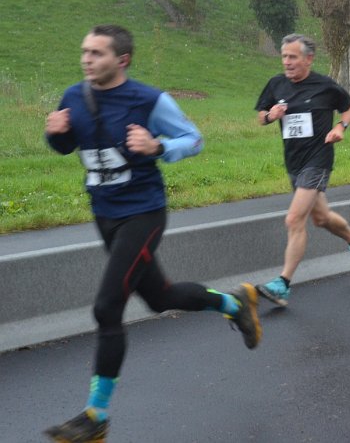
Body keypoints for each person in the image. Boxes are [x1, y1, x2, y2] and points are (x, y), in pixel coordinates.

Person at [43, 25, 261, 442]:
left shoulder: (149, 100)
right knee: (159, 297)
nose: (87, 59)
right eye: (85, 51)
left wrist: (158, 147)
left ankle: (96, 416)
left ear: (122, 60)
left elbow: (194, 140)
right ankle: (235, 304)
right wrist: (55, 134)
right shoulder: (74, 96)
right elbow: (67, 145)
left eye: (97, 53)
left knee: (107, 307)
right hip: (105, 214)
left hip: (143, 214)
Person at [254, 34, 350, 306]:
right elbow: (261, 116)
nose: (287, 62)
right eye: (284, 56)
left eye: (293, 57)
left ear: (308, 59)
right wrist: (270, 116)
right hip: (294, 162)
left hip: (318, 160)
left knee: (294, 219)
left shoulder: (324, 85)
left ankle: (283, 284)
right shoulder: (276, 84)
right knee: (321, 218)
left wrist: (340, 127)